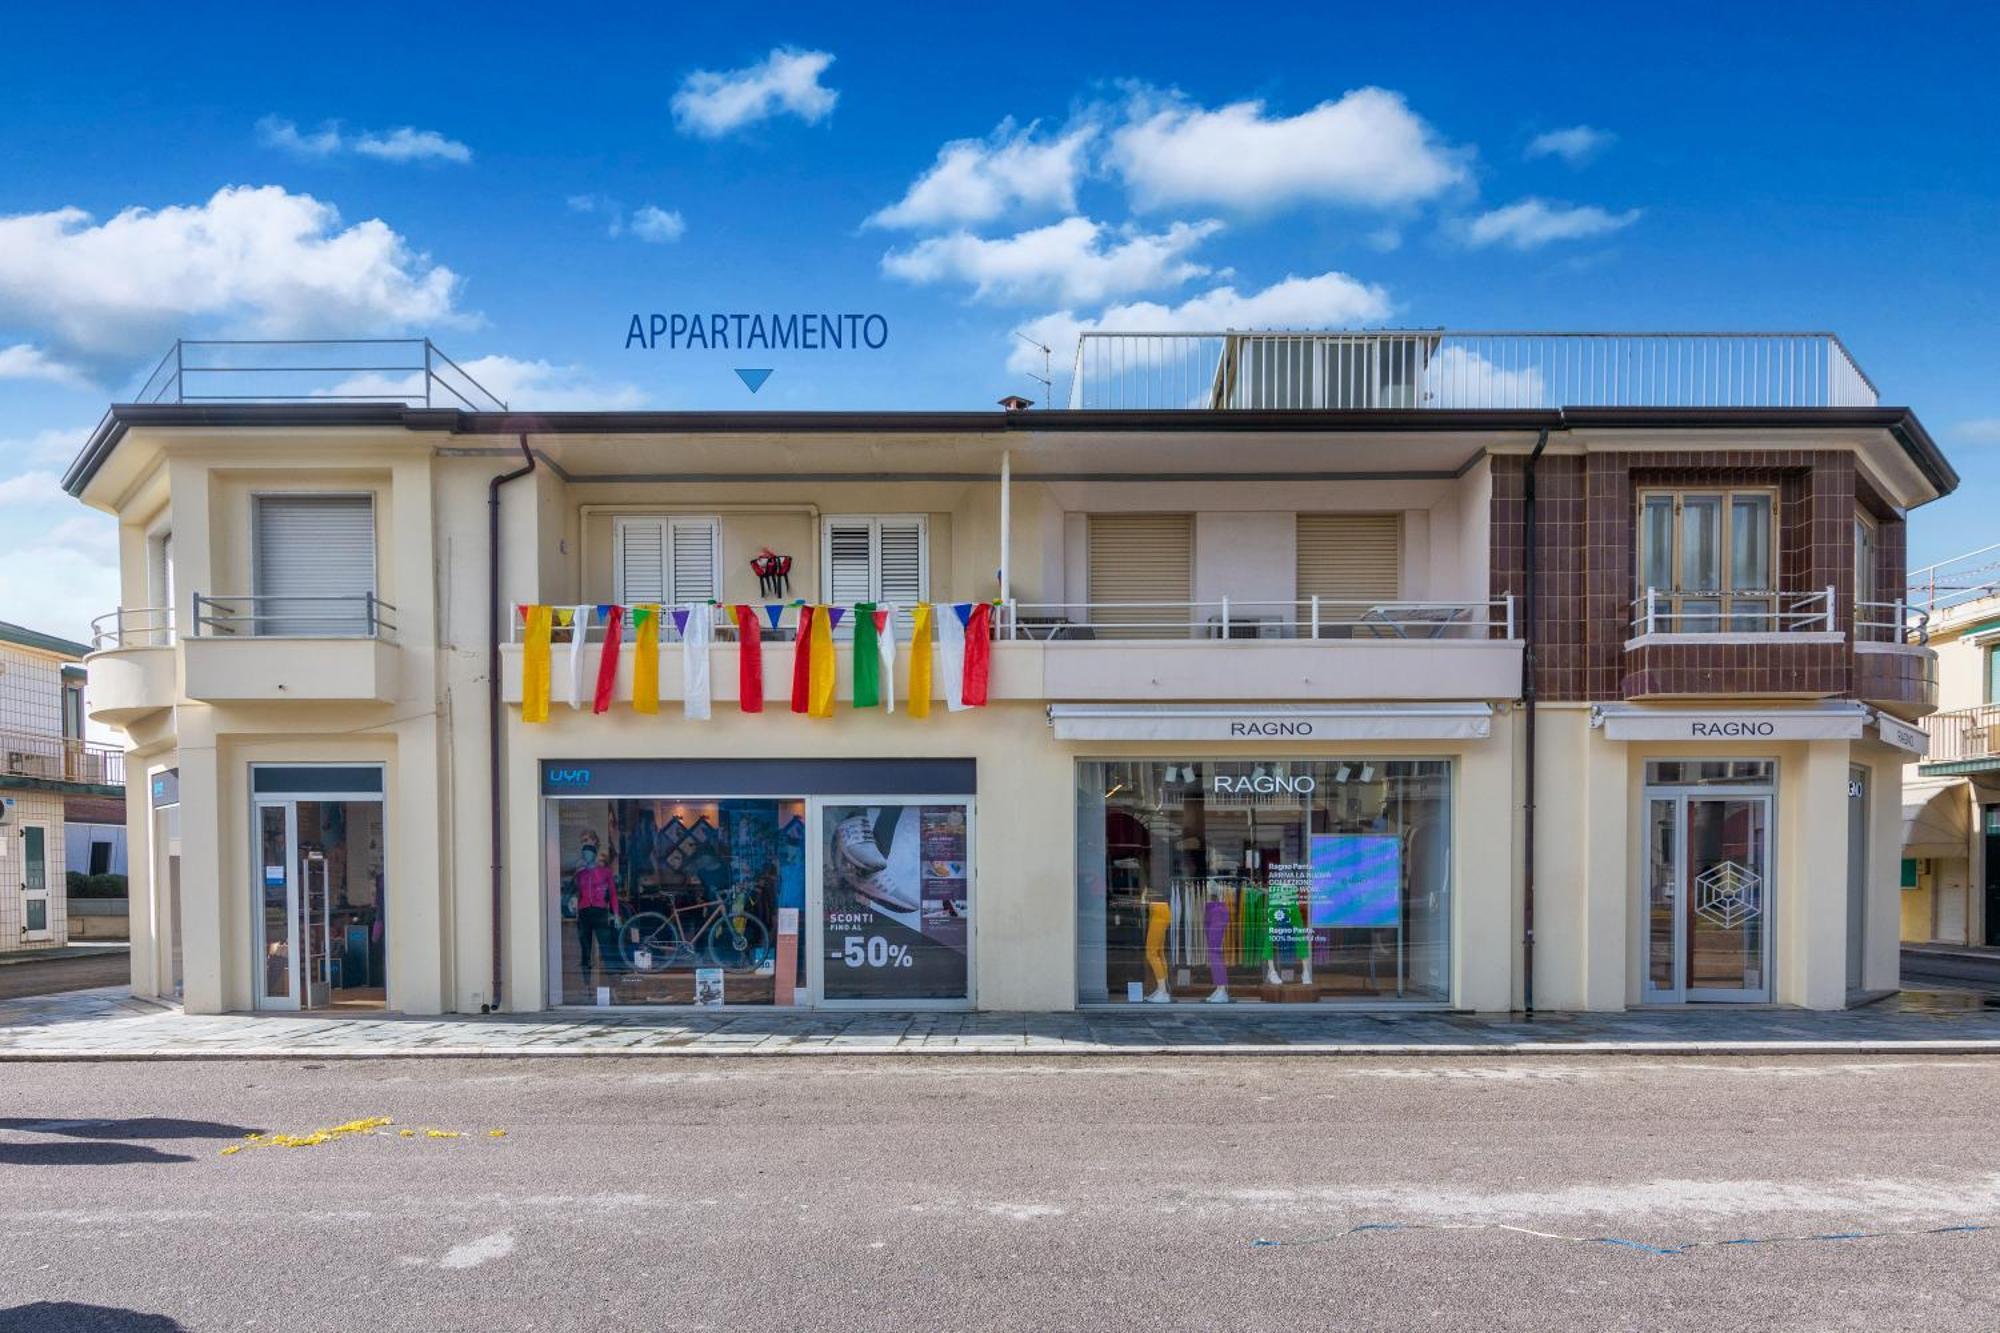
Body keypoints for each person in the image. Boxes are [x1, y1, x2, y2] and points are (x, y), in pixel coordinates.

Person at [573, 839, 621, 982]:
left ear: (594, 855)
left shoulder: (605, 873)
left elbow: (612, 895)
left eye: (588, 853)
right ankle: (586, 983)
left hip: (600, 912)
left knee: (606, 947)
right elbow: (577, 894)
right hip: (584, 914)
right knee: (586, 950)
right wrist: (575, 911)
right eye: (584, 854)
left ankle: (613, 980)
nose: (586, 856)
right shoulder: (580, 875)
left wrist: (616, 914)